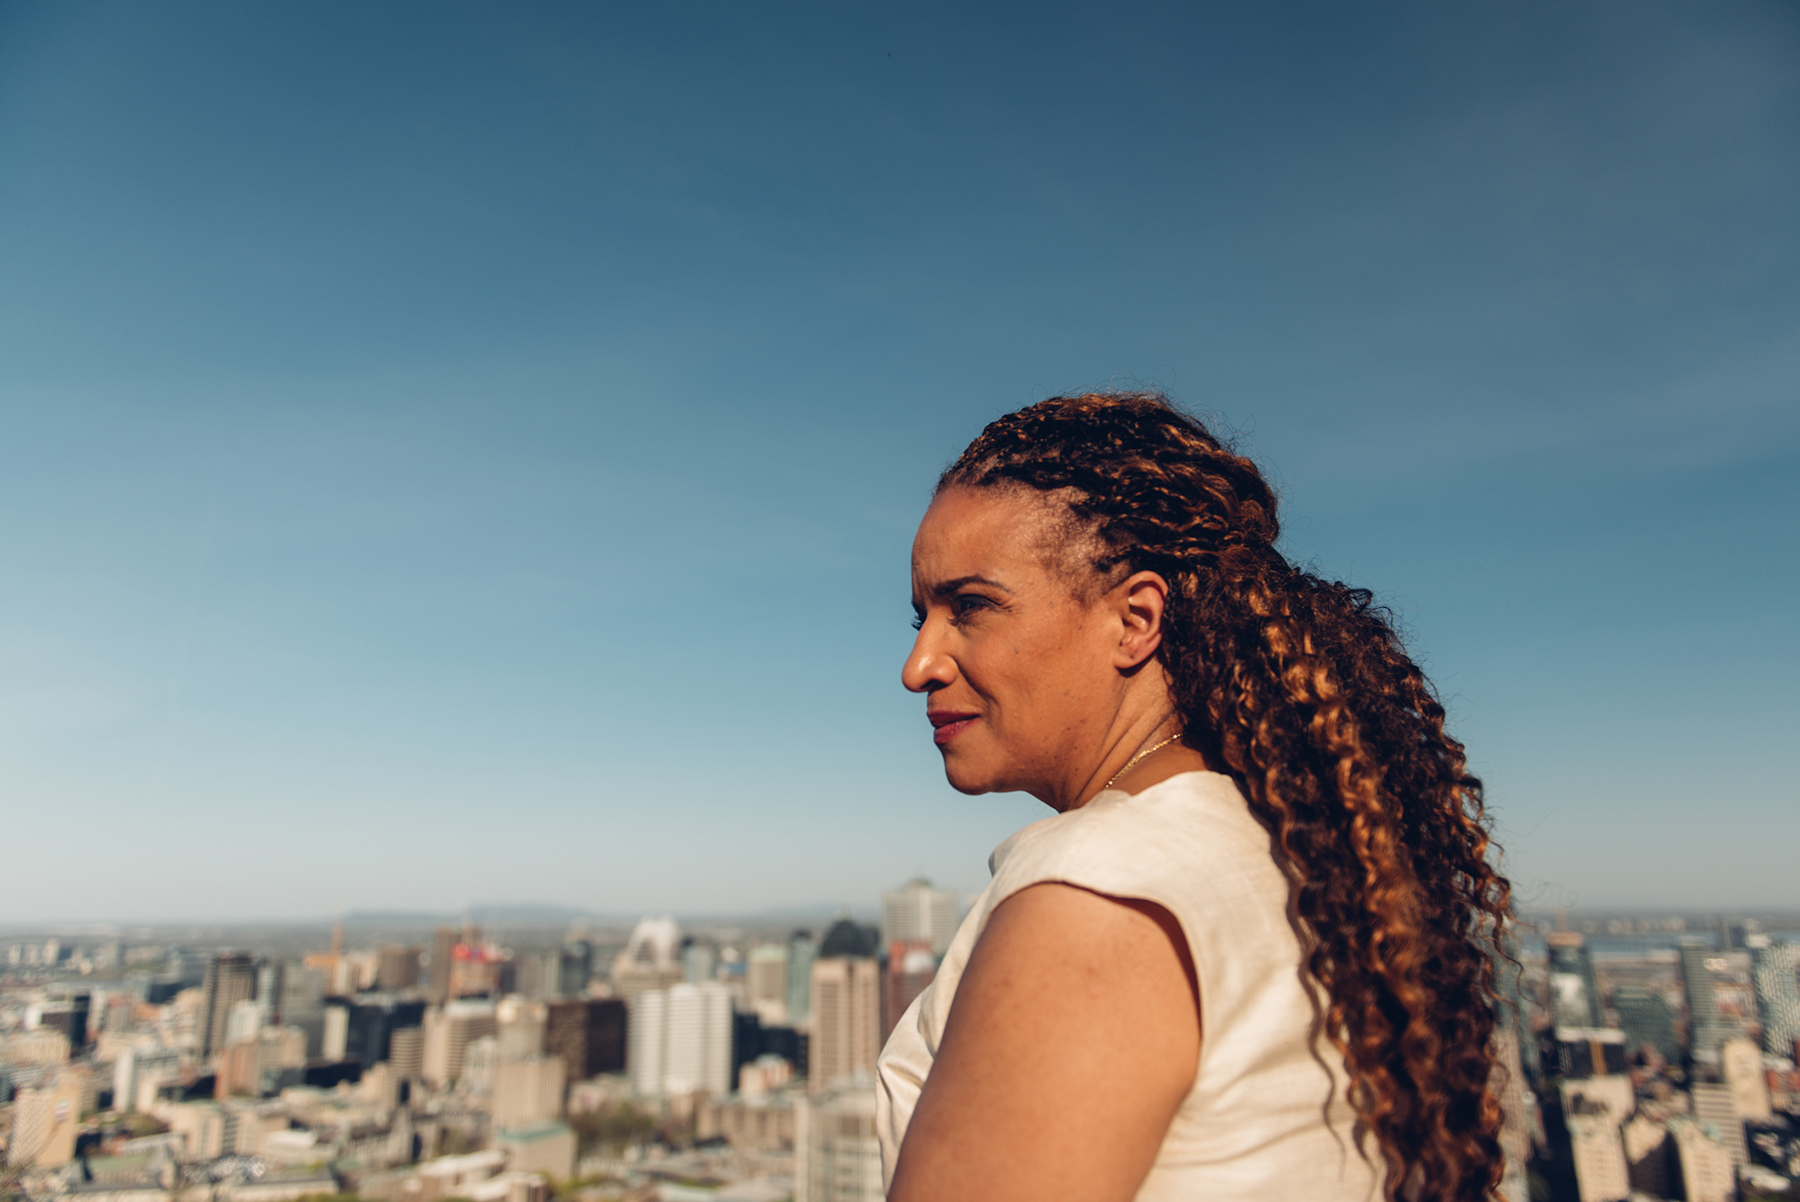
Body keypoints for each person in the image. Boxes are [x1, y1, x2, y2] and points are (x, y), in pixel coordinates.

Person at [876, 392, 1511, 1202]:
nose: (919, 664)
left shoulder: (1098, 887)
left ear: (1135, 619)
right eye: (920, 616)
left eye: (970, 607)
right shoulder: (1288, 855)